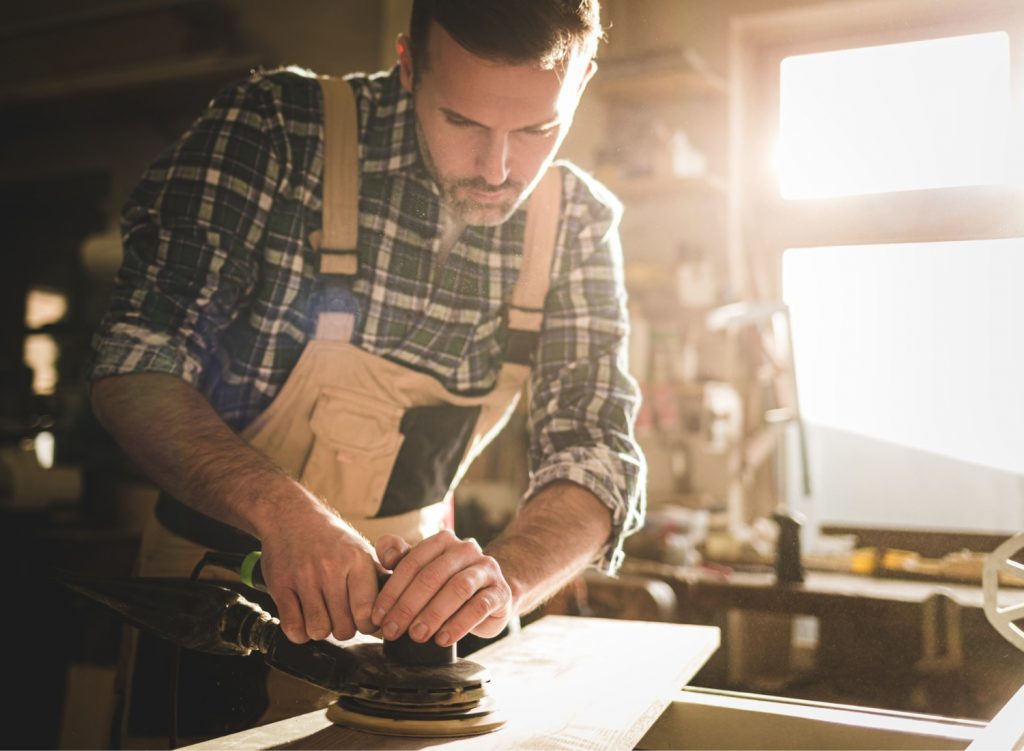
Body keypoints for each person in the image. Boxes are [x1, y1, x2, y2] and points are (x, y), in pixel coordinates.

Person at [89, 0, 645, 740]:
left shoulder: (575, 221)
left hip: (405, 644)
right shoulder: (280, 129)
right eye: (463, 122)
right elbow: (134, 361)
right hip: (216, 604)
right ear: (408, 64)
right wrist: (284, 514)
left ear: (581, 85)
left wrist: (499, 582)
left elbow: (598, 452)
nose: (497, 169)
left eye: (539, 129)